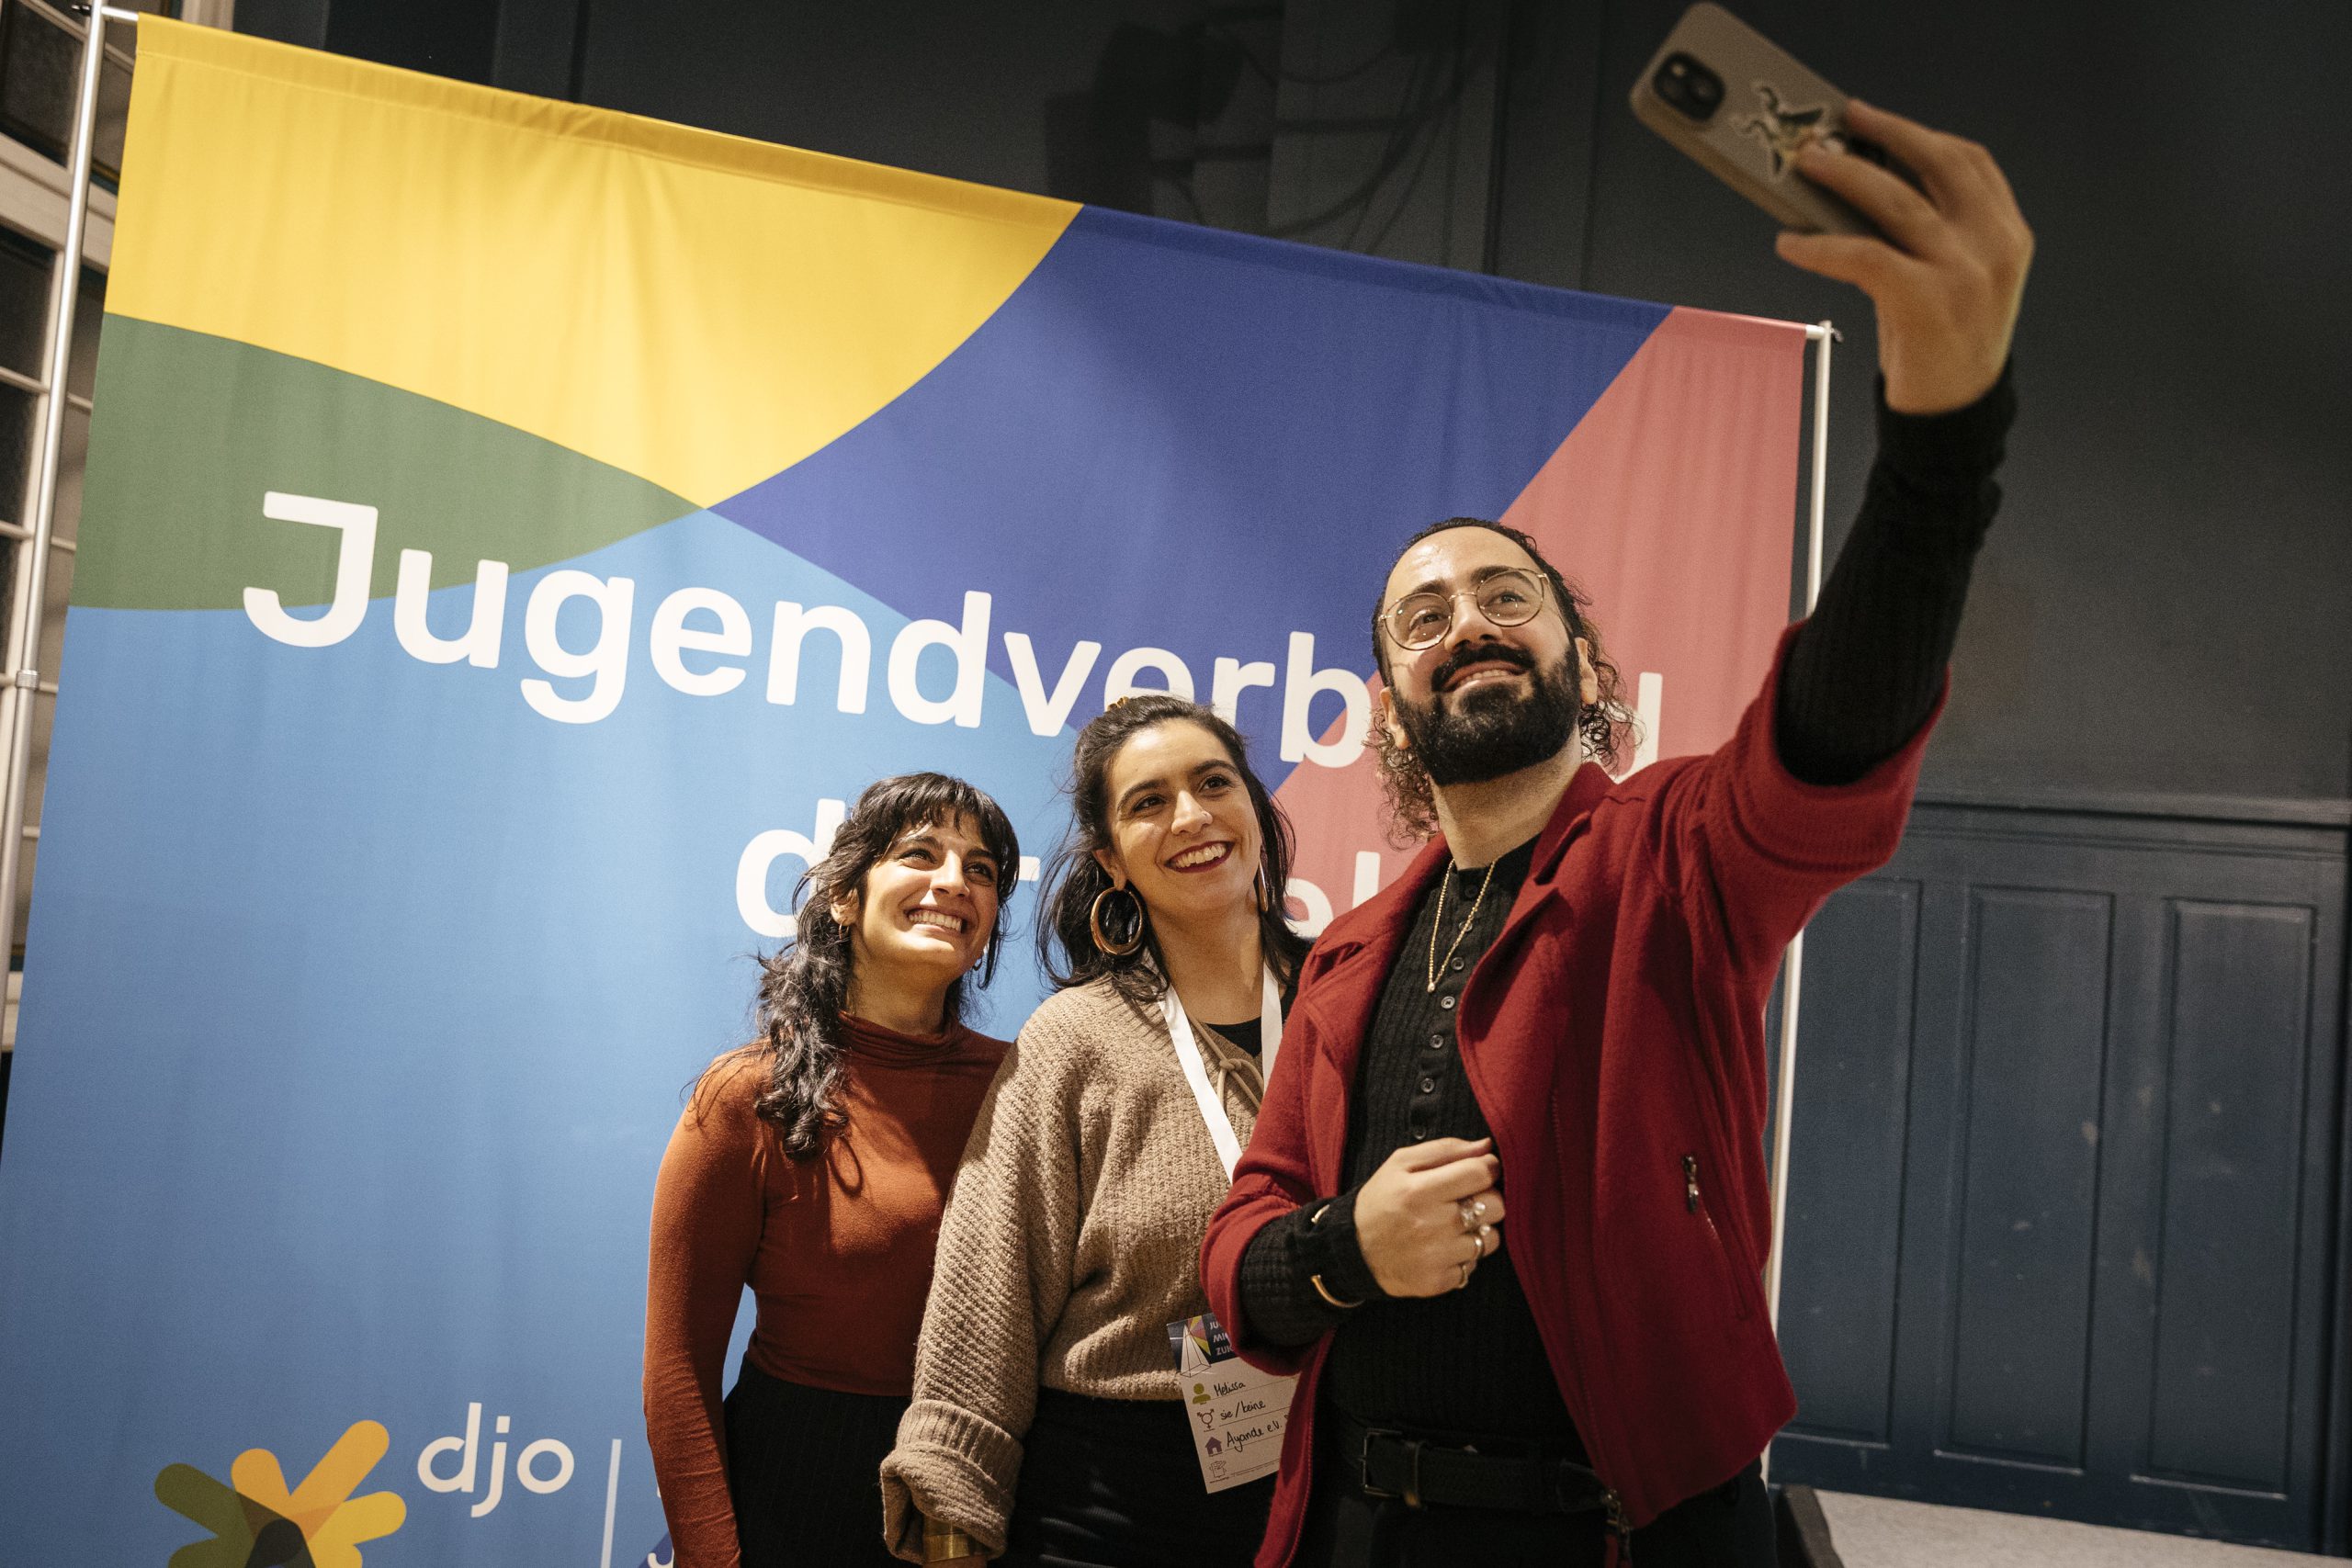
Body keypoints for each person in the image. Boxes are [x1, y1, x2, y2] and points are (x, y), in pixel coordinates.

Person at [1200, 99, 2034, 1567]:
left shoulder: (1678, 853)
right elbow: (1239, 1251)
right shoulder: (1345, 956)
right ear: (1389, 714)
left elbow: (1829, 732)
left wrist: (1943, 444)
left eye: (1507, 596)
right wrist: (1346, 1249)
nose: (1469, 621)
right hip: (1358, 1531)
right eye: (1424, 615)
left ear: (1584, 667)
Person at [879, 695, 1310, 1567]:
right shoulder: (1074, 1039)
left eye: (1213, 783)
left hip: (1328, 1485)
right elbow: (989, 1297)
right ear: (1111, 859)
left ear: (1255, 810)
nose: (1190, 816)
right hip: (1111, 1508)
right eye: (1149, 801)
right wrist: (954, 1515)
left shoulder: (1350, 1000)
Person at [643, 773, 1023, 1568]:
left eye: (981, 869)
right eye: (920, 854)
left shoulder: (1025, 1085)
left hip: (976, 1501)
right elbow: (678, 1373)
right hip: (789, 1496)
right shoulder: (745, 1095)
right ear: (846, 897)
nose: (954, 880)